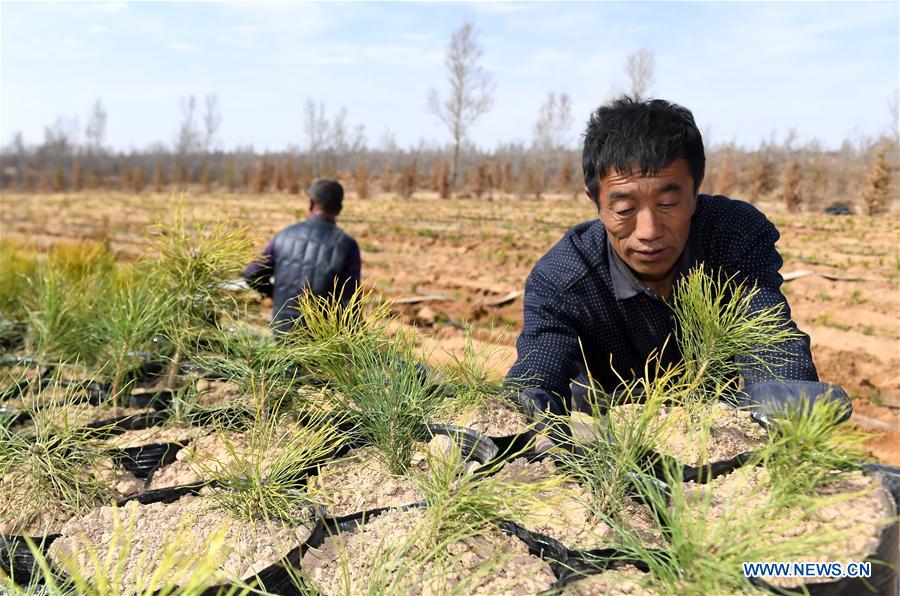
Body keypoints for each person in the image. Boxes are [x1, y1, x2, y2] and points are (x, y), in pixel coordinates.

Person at [506, 97, 821, 445]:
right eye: (624, 209)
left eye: (668, 204)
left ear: (695, 191)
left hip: (715, 429)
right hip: (610, 429)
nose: (649, 230)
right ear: (595, 199)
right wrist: (523, 420)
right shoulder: (564, 276)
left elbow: (769, 341)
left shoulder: (732, 238)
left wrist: (788, 420)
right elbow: (537, 374)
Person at [243, 178, 361, 334]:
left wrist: (278, 295)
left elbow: (251, 275)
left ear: (310, 203)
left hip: (282, 331)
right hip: (323, 341)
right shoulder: (347, 245)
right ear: (339, 209)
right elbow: (350, 303)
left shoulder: (284, 236)